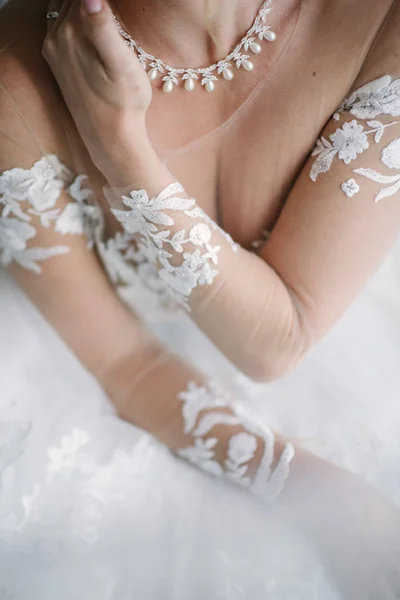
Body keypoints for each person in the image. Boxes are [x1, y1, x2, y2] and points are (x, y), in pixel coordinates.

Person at [1, 0, 400, 597]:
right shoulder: (14, 76)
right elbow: (123, 363)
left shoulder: (379, 20)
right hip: (106, 382)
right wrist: (304, 484)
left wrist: (122, 153)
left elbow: (286, 332)